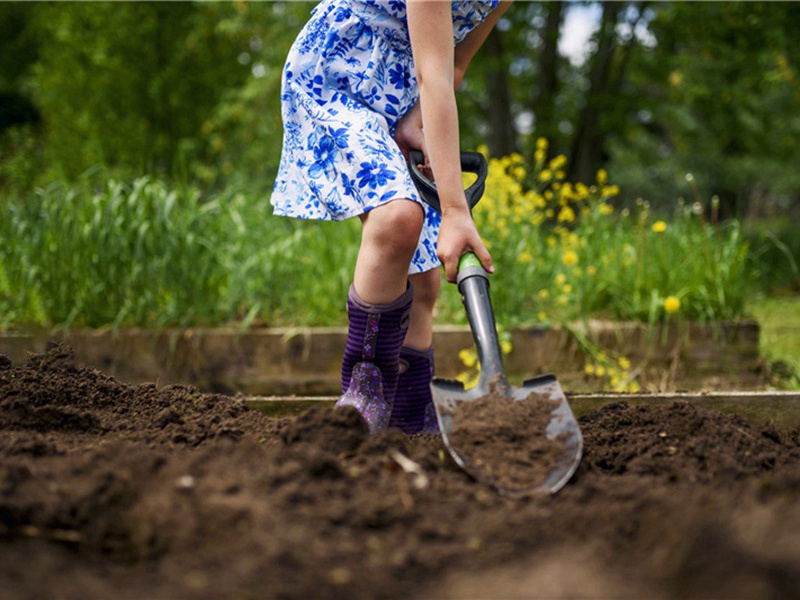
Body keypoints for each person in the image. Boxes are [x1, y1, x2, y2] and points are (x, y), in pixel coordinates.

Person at [271, 0, 512, 434]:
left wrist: (415, 121)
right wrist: (456, 211)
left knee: (425, 280)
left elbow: (454, 64)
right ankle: (364, 395)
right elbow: (434, 75)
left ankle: (409, 417)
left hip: (404, 93)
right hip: (337, 74)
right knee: (398, 218)